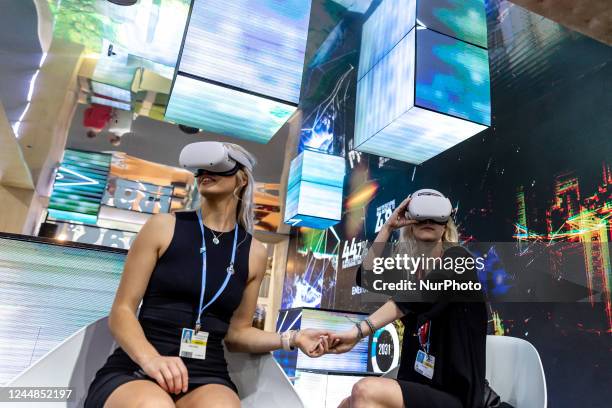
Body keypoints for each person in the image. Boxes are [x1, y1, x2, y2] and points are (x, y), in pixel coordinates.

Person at [85, 142, 330, 408]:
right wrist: (151, 360)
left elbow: (238, 334)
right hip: (140, 365)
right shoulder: (163, 227)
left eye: (216, 167)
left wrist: (292, 338)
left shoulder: (254, 253)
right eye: (199, 169)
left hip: (206, 371)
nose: (205, 172)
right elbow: (122, 310)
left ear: (243, 178)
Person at [328, 190, 487, 408]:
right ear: (410, 224)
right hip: (418, 386)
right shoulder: (411, 272)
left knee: (364, 390)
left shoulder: (458, 260)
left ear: (445, 225)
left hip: (455, 396)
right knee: (346, 404)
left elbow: (417, 296)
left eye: (436, 217)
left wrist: (358, 332)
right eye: (421, 216)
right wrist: (388, 227)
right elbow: (365, 276)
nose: (428, 221)